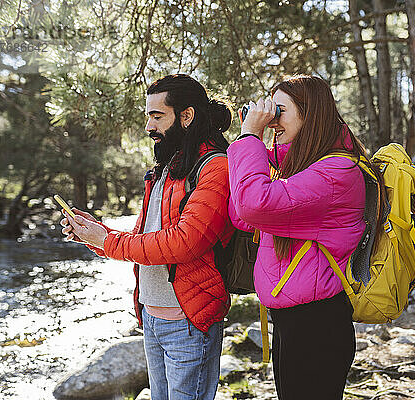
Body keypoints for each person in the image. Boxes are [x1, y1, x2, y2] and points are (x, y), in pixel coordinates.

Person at [61, 74, 234, 400]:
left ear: (186, 116)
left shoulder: (215, 167)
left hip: (189, 320)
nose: (148, 126)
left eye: (157, 116)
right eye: (147, 116)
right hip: (152, 316)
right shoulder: (162, 169)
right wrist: (94, 233)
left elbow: (184, 242)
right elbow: (144, 237)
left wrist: (107, 241)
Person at [227, 75, 368, 400]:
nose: (273, 120)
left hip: (317, 324)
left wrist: (250, 135)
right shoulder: (302, 170)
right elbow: (242, 216)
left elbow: (252, 205)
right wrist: (259, 152)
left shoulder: (333, 174)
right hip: (295, 321)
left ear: (311, 114)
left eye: (280, 111)